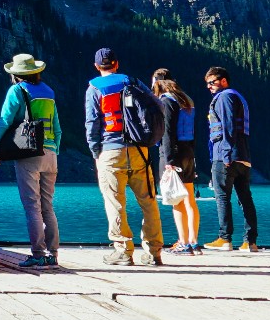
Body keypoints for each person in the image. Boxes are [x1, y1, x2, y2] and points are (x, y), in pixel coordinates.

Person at [84, 47, 163, 266]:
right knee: (148, 201)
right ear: (117, 64)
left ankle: (123, 250)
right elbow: (157, 106)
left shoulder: (94, 88)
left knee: (115, 201)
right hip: (139, 149)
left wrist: (95, 151)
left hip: (110, 150)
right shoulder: (133, 82)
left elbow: (92, 123)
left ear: (97, 66)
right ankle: (153, 251)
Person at [0, 52, 60, 268]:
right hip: (51, 154)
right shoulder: (49, 92)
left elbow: (5, 120)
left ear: (16, 74)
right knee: (47, 205)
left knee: (32, 206)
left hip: (29, 154)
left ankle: (38, 253)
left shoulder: (17, 90)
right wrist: (55, 149)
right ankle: (53, 254)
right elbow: (57, 127)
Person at [204, 65, 259, 251]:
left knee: (222, 197)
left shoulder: (225, 97)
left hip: (225, 155)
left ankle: (225, 239)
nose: (209, 87)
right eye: (207, 84)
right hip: (243, 155)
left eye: (212, 82)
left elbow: (227, 126)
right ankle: (250, 242)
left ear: (224, 81)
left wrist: (226, 153)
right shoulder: (237, 96)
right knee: (245, 197)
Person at [152, 68, 202, 254]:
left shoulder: (166, 100)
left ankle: (183, 242)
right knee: (190, 199)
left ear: (159, 82)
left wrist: (168, 160)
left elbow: (167, 132)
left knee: (176, 200)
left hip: (173, 154)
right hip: (188, 151)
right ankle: (194, 242)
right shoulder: (186, 100)